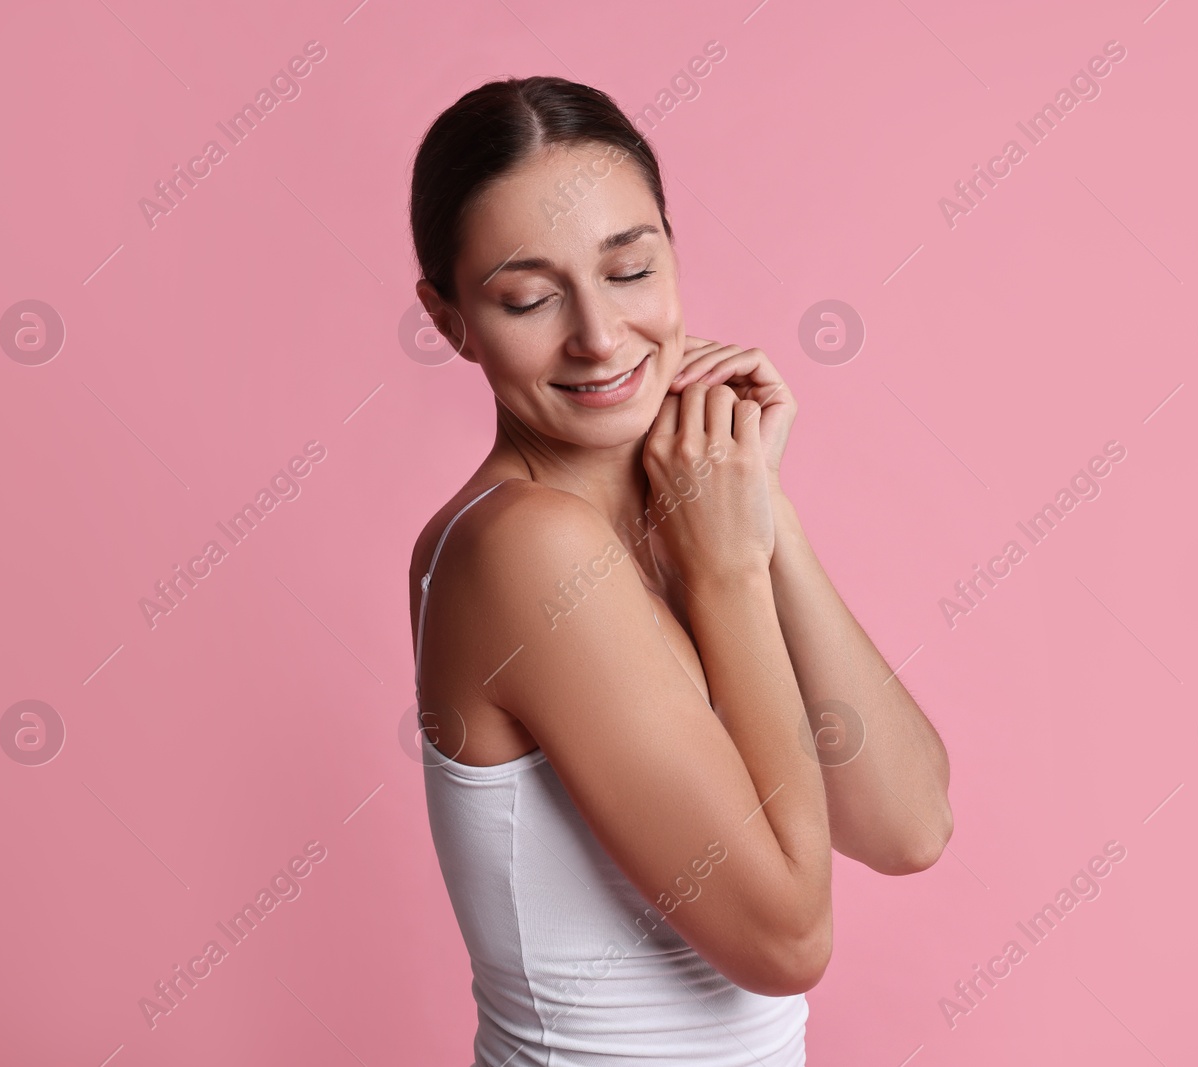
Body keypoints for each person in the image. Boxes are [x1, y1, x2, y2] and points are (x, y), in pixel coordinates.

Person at [405, 74, 953, 1066]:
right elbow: (786, 938)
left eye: (628, 269)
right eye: (527, 297)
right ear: (450, 321)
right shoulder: (523, 546)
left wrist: (757, 500)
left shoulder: (694, 512)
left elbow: (907, 823)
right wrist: (730, 571)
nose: (599, 336)